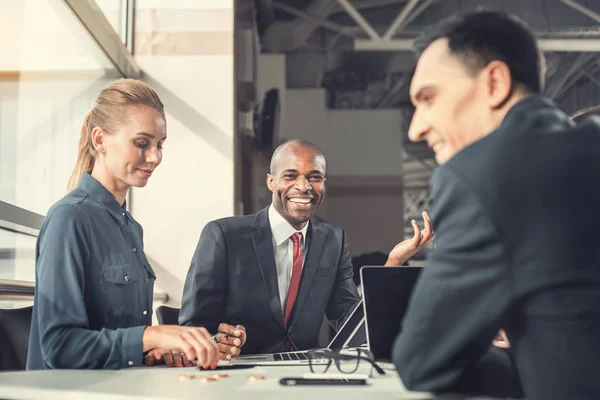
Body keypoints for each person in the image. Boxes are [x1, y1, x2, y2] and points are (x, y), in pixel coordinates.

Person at [391, 10, 600, 400]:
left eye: (428, 98)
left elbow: (422, 361)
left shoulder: (479, 175)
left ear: (495, 82)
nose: (416, 128)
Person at [27, 79, 219, 370]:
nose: (155, 157)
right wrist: (152, 334)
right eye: (142, 143)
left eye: (159, 145)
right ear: (100, 140)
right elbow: (60, 348)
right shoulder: (69, 219)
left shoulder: (131, 228)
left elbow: (117, 341)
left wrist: (153, 351)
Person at [180, 139, 433, 358]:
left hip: (306, 368)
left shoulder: (334, 238)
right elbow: (193, 324)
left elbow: (348, 321)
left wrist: (393, 264)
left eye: (315, 177)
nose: (304, 186)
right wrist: (220, 341)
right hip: (240, 369)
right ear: (271, 181)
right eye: (290, 175)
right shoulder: (224, 235)